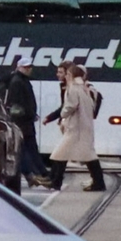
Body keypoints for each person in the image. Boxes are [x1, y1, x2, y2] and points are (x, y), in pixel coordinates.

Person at [46, 62, 106, 191]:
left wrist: (63, 114)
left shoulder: (73, 88)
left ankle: (56, 181)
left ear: (71, 75)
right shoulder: (84, 87)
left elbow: (71, 105)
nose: (65, 76)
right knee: (87, 155)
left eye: (67, 74)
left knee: (60, 153)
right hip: (83, 126)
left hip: (75, 127)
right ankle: (98, 182)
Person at [1, 65, 45, 187]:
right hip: (22, 122)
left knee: (27, 149)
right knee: (23, 150)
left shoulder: (21, 81)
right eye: (26, 67)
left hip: (24, 120)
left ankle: (38, 173)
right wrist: (29, 114)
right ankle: (34, 174)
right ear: (20, 68)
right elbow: (18, 103)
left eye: (30, 67)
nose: (29, 69)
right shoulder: (18, 82)